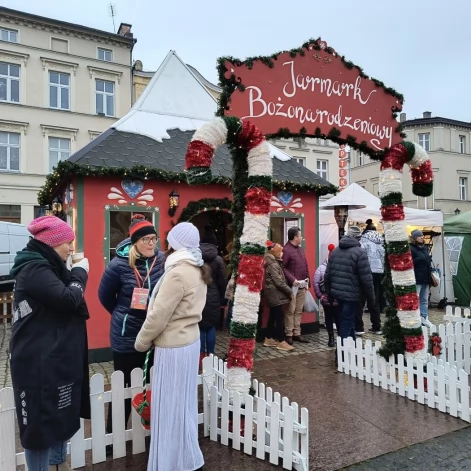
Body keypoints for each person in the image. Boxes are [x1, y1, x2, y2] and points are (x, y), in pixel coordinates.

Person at [9, 216, 90, 471]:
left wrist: (73, 273)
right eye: (68, 242)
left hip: (54, 357)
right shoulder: (35, 269)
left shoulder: (50, 265)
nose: (71, 248)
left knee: (60, 413)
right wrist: (80, 273)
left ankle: (57, 462)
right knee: (39, 426)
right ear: (52, 243)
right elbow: (68, 300)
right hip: (37, 360)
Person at [135, 222, 210, 471]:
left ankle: (170, 461)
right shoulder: (196, 268)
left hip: (173, 346)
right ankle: (185, 455)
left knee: (168, 406)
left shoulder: (177, 272)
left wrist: (142, 341)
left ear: (176, 244)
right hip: (189, 341)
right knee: (183, 402)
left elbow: (159, 315)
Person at [98, 214, 164, 448]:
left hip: (156, 333)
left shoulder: (163, 261)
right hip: (127, 335)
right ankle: (112, 438)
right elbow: (104, 297)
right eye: (146, 239)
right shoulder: (118, 265)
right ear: (135, 241)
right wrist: (123, 315)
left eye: (154, 238)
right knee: (123, 387)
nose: (151, 243)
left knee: (154, 385)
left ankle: (151, 430)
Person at [324, 226, 375, 342]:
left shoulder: (336, 251)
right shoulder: (360, 253)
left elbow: (327, 274)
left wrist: (329, 293)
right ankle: (341, 354)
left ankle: (351, 350)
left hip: (337, 292)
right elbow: (366, 278)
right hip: (352, 294)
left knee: (348, 321)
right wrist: (371, 298)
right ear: (358, 238)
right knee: (346, 323)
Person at [199, 225, 226, 364]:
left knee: (199, 327)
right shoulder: (218, 260)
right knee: (210, 327)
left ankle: (200, 357)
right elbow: (222, 281)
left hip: (198, 295)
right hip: (213, 295)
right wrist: (222, 297)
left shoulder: (195, 257)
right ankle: (210, 356)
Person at [263, 241, 294, 352]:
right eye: (280, 251)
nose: (282, 253)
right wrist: (290, 292)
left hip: (272, 294)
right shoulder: (273, 264)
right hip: (274, 294)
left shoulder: (271, 262)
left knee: (272, 316)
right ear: (274, 251)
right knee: (279, 317)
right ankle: (281, 341)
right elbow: (279, 282)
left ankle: (268, 338)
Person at [282, 226, 310, 345]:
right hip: (291, 286)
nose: (302, 237)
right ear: (295, 237)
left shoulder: (301, 249)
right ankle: (289, 334)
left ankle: (297, 333)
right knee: (290, 310)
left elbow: (305, 265)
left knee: (298, 310)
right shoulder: (286, 250)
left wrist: (308, 280)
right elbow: (282, 267)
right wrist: (292, 279)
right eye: (300, 235)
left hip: (302, 285)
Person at [359, 225, 384, 335]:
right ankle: (377, 327)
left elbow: (361, 255)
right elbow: (383, 256)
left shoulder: (363, 239)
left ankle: (359, 327)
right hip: (378, 273)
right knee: (374, 300)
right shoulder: (380, 240)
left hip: (366, 271)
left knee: (361, 299)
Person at [314, 244, 340, 347]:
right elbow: (316, 283)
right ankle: (332, 338)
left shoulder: (321, 268)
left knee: (335, 318)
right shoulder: (321, 268)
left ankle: (334, 338)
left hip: (336, 298)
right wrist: (320, 295)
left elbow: (316, 283)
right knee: (331, 318)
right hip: (329, 298)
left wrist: (320, 296)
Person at [410, 229, 433, 328]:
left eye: (422, 236)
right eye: (420, 236)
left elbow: (428, 261)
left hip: (425, 278)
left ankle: (424, 318)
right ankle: (415, 319)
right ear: (415, 238)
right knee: (416, 299)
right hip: (417, 278)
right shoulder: (411, 248)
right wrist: (419, 259)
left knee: (424, 300)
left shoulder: (424, 248)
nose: (422, 237)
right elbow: (409, 262)